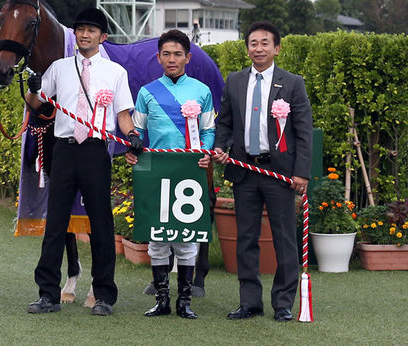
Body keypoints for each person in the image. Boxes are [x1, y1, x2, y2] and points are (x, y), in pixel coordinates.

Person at [24, 7, 137, 317]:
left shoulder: (115, 72)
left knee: (101, 222)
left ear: (103, 36)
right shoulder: (59, 68)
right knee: (56, 222)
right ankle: (48, 294)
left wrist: (134, 135)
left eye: (91, 30)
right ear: (75, 34)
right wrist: (34, 89)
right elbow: (37, 104)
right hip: (64, 149)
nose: (84, 34)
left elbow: (123, 115)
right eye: (80, 29)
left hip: (96, 151)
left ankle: (104, 295)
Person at [211, 21, 312, 322]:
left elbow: (304, 131)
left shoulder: (292, 83)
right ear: (247, 49)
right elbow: (225, 123)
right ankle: (249, 302)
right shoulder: (235, 81)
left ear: (276, 48)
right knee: (246, 239)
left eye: (265, 43)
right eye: (253, 43)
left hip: (278, 173)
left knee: (284, 239)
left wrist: (302, 172)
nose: (259, 48)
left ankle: (283, 303)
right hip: (244, 171)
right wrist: (221, 147)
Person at [126, 29, 215, 319]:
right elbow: (138, 131)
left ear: (188, 57)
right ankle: (162, 300)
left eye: (178, 54)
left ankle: (184, 302)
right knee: (157, 237)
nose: (172, 59)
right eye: (167, 54)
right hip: (156, 171)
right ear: (158, 57)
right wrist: (133, 148)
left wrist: (205, 152)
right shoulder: (146, 91)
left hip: (189, 170)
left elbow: (209, 130)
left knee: (186, 238)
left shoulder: (202, 91)